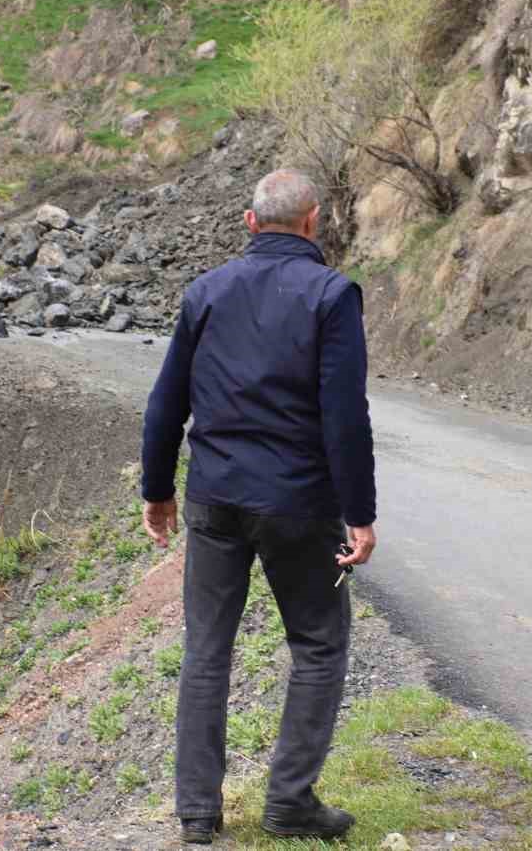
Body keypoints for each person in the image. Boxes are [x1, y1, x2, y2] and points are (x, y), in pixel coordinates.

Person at [139, 169, 377, 845]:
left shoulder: (206, 293)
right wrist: (360, 512)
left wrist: (158, 492)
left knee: (206, 650)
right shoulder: (332, 296)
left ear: (249, 223)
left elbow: (166, 404)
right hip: (301, 503)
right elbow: (344, 418)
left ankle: (196, 816)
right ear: (313, 222)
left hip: (214, 498)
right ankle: (290, 804)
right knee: (320, 643)